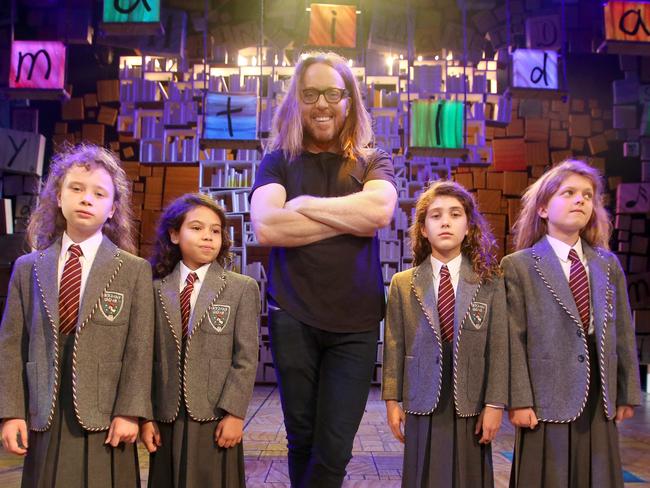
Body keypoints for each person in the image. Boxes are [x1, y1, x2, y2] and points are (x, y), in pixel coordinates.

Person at [249, 51, 397, 487]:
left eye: (333, 93)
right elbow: (268, 226)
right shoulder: (277, 161)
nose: (322, 103)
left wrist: (304, 205)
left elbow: (379, 213)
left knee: (334, 447)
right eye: (310, 93)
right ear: (296, 101)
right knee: (302, 439)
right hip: (292, 315)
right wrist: (347, 218)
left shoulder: (372, 159)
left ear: (349, 100)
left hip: (356, 323)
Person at [0, 143, 153, 487]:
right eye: (77, 189)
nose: (86, 199)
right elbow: (10, 346)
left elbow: (140, 348)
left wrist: (129, 410)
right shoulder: (28, 268)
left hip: (107, 412)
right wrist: (11, 413)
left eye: (99, 193)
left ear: (113, 208)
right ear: (58, 197)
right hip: (46, 408)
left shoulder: (133, 270)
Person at [503, 160, 642, 487]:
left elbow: (622, 332)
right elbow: (512, 339)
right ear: (542, 208)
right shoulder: (519, 267)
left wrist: (626, 392)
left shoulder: (607, 265)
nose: (580, 200)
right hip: (544, 399)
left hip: (599, 394)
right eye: (568, 193)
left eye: (588, 195)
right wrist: (519, 399)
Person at [382, 180, 507, 488]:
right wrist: (392, 400)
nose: (446, 222)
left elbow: (499, 347)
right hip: (422, 398)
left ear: (468, 227)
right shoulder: (403, 283)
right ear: (423, 229)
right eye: (436, 216)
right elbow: (394, 345)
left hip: (471, 399)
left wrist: (494, 404)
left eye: (455, 214)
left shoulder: (489, 281)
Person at [142, 193, 259, 488]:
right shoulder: (153, 290)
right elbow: (143, 358)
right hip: (166, 415)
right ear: (174, 234)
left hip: (215, 416)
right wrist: (145, 417)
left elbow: (245, 358)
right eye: (196, 228)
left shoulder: (241, 288)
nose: (208, 237)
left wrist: (235, 413)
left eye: (215, 230)